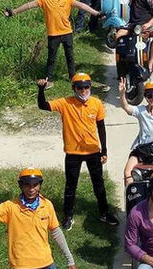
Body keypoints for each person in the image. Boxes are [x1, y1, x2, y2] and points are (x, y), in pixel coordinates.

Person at [38, 73, 119, 229]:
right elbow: (43, 106)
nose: (83, 90)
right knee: (70, 186)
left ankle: (104, 213)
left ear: (90, 87)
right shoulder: (65, 103)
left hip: (93, 151)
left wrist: (104, 150)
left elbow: (101, 127)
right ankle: (68, 215)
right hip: (73, 152)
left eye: (86, 87)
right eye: (79, 87)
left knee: (99, 184)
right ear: (74, 88)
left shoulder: (97, 103)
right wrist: (41, 90)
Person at [4, 0, 101, 82]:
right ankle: (48, 80)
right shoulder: (44, 0)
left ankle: (72, 77)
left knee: (70, 57)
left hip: (67, 33)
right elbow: (28, 5)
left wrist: (97, 13)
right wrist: (13, 12)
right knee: (51, 59)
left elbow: (83, 6)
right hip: (53, 34)